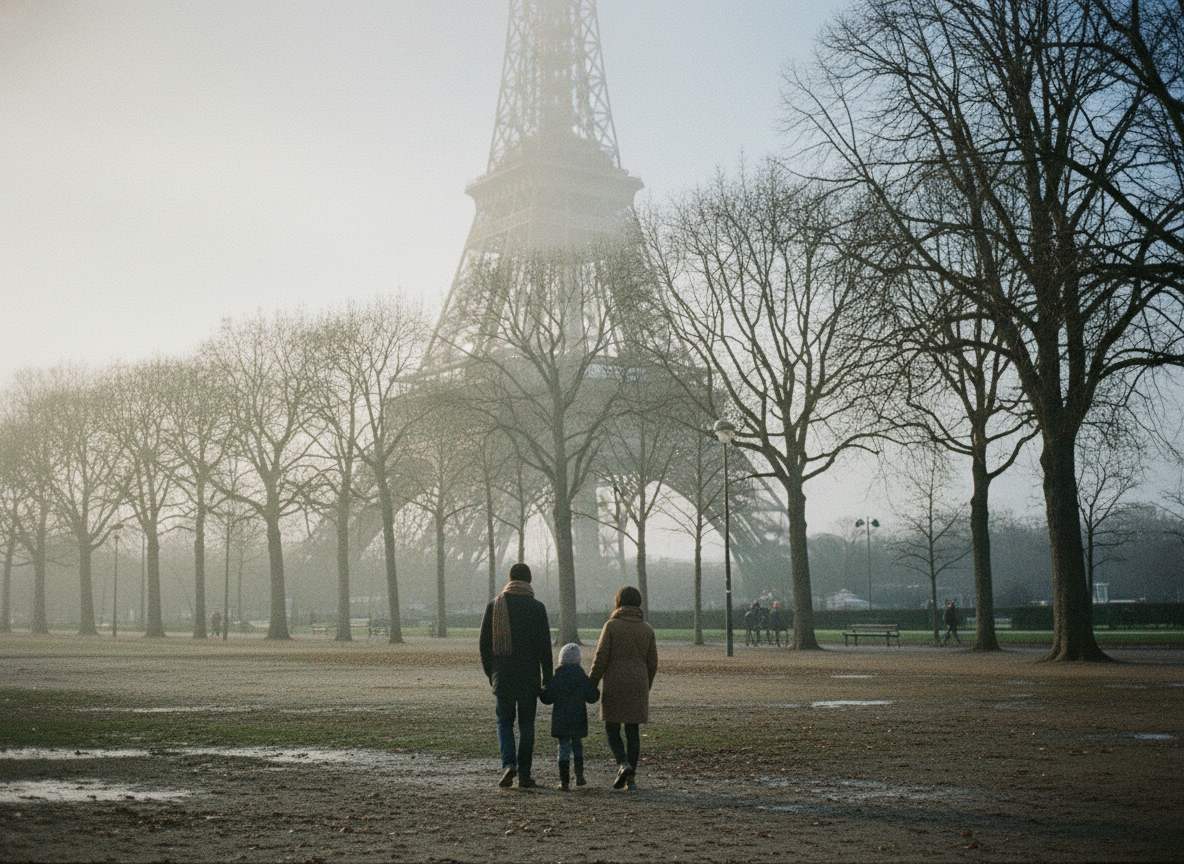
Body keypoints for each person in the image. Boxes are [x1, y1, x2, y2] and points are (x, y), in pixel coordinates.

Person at [479, 562, 553, 789]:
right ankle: (525, 775)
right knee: (526, 726)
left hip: (503, 676)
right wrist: (547, 678)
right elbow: (545, 647)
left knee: (504, 722)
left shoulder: (495, 605)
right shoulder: (537, 607)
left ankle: (508, 764)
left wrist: (491, 675)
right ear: (529, 581)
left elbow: (484, 645)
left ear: (510, 578)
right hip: (529, 677)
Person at [588, 585, 658, 791]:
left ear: (618, 602)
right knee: (632, 729)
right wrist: (646, 684)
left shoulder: (611, 626)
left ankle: (622, 763)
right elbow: (652, 663)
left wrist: (591, 684)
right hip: (638, 681)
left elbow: (601, 658)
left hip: (615, 681)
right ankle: (631, 777)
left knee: (612, 727)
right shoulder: (647, 629)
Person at [539, 643, 599, 790]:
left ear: (561, 660)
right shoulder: (582, 677)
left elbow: (547, 698)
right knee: (578, 746)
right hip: (578, 719)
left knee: (563, 748)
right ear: (578, 660)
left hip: (561, 720)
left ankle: (564, 781)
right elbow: (592, 697)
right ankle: (579, 776)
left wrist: (543, 688)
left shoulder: (557, 678)